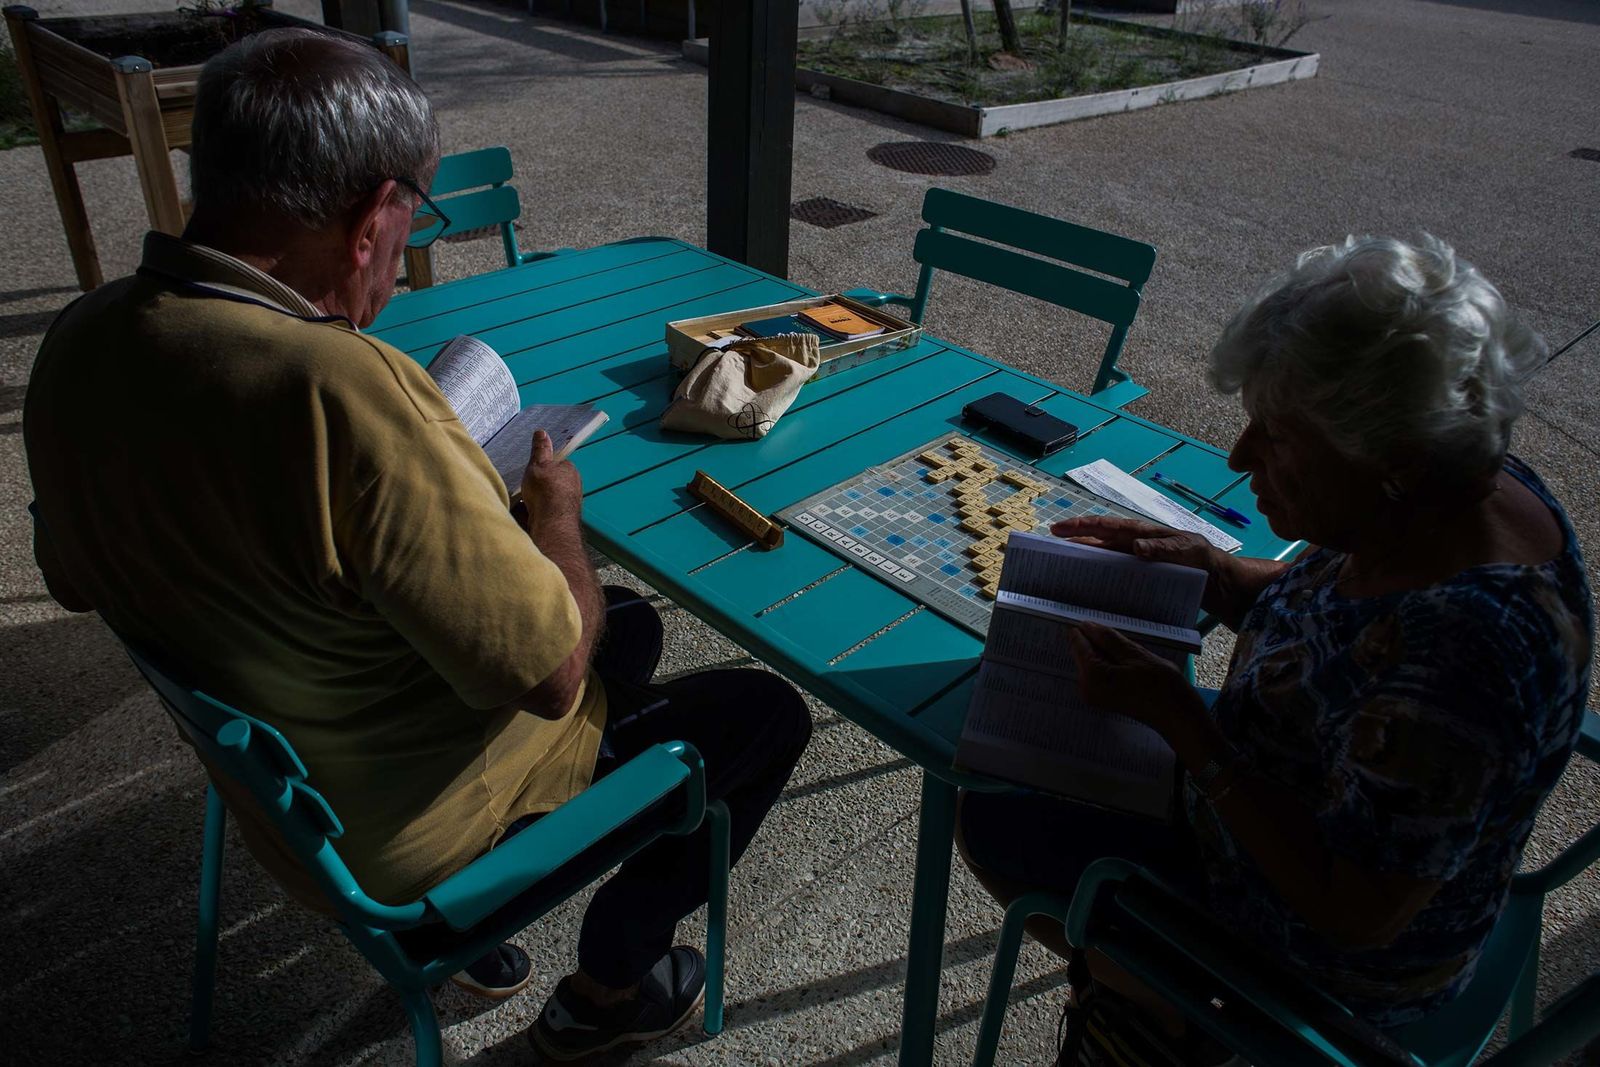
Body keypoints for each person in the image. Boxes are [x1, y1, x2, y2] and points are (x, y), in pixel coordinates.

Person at [22, 28, 810, 1061]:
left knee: (633, 621)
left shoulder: (83, 341)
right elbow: (550, 675)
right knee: (757, 710)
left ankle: (503, 954)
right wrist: (552, 516)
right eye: (413, 219)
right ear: (370, 218)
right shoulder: (339, 389)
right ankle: (615, 982)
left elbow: (76, 581)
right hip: (409, 843)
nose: (399, 259)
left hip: (290, 787)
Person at [958, 235, 1593, 1062]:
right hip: (1278, 779)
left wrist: (1188, 723)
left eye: (1277, 435)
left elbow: (1355, 910)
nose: (1238, 454)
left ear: (1392, 463)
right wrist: (1221, 570)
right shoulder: (1454, 487)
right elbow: (1346, 613)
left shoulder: (1465, 649)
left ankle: (1157, 1005)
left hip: (1328, 969)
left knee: (999, 815)